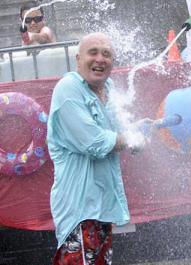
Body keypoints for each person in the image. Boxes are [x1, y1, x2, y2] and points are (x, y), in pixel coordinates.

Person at [47, 33, 145, 265]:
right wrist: (129, 138)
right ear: (78, 59)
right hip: (79, 209)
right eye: (93, 53)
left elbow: (121, 127)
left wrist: (139, 131)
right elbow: (95, 142)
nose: (100, 59)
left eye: (107, 54)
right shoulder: (68, 88)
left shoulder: (108, 87)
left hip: (102, 206)